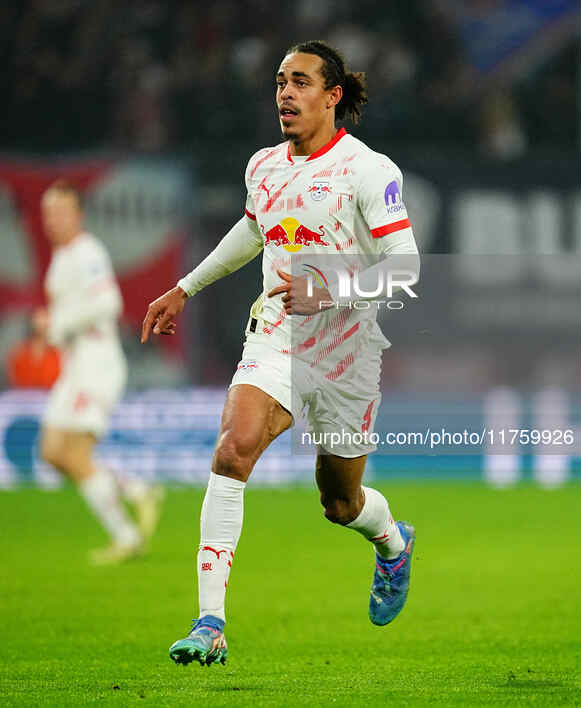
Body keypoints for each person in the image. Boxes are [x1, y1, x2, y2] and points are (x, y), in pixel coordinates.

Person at [141, 41, 419, 666]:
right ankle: (211, 620)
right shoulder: (264, 165)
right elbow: (253, 227)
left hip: (347, 350)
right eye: (280, 82)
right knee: (232, 449)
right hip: (277, 335)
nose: (285, 93)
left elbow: (406, 266)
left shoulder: (368, 170)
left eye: (300, 82)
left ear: (333, 95)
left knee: (339, 502)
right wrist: (186, 287)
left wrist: (331, 289)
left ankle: (391, 542)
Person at [39, 180, 164, 565]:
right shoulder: (62, 258)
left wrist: (57, 324)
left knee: (74, 453)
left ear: (78, 214)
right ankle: (135, 489)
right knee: (52, 453)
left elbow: (108, 302)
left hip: (96, 365)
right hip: (75, 366)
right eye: (48, 214)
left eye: (61, 212)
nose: (54, 221)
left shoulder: (87, 252)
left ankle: (127, 536)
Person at [6, 308, 61, 389]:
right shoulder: (19, 353)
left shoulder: (58, 355)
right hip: (22, 399)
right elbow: (17, 383)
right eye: (39, 321)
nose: (42, 326)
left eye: (45, 325)